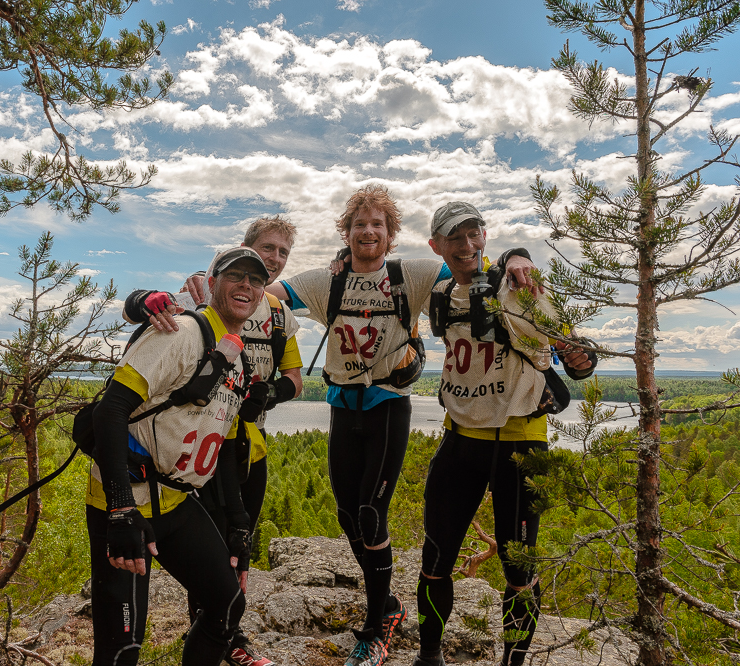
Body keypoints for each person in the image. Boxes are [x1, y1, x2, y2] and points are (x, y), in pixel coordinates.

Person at [264, 185, 537, 666]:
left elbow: (471, 264)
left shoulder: (411, 273)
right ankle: (389, 603)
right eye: (358, 225)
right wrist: (211, 289)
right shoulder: (327, 281)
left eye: (378, 225)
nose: (368, 231)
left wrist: (516, 253)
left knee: (371, 514)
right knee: (349, 517)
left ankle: (378, 623)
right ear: (345, 233)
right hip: (340, 406)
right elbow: (267, 293)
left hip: (389, 405)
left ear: (392, 236)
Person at [414, 202, 598, 666]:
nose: (467, 245)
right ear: (437, 246)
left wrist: (581, 358)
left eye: (475, 234)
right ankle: (429, 655)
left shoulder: (521, 286)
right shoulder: (438, 294)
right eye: (455, 237)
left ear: (485, 237)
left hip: (520, 444)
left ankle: (513, 662)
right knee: (435, 560)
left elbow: (576, 354)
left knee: (519, 567)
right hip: (459, 442)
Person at [122, 216, 303, 666]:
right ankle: (209, 630)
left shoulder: (280, 316)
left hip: (246, 443)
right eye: (267, 248)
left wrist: (271, 393)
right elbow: (139, 311)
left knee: (237, 543)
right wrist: (146, 299)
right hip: (196, 444)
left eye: (283, 252)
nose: (274, 259)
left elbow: (296, 379)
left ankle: (227, 637)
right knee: (210, 544)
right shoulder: (207, 289)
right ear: (243, 248)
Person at [87, 248, 270, 666]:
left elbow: (218, 441)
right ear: (211, 283)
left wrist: (239, 522)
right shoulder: (181, 332)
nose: (246, 285)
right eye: (235, 275)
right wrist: (120, 508)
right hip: (126, 499)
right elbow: (109, 410)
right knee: (121, 648)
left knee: (227, 605)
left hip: (175, 502)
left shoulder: (236, 355)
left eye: (255, 280)